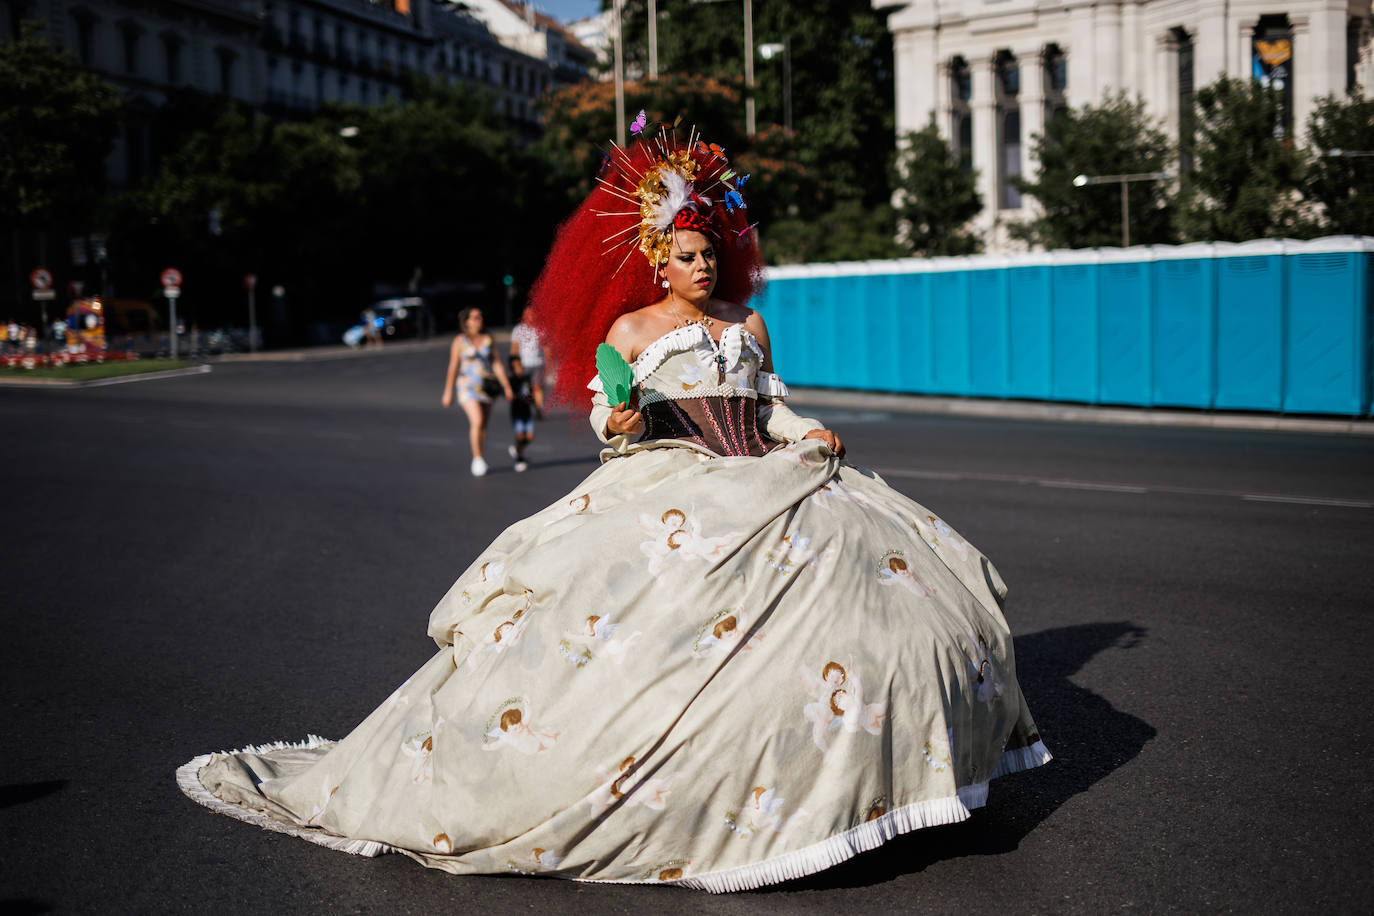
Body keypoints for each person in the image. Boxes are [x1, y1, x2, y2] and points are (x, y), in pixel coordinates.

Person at [179, 130, 1049, 892]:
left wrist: (801, 425)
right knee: (643, 637)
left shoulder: (750, 325)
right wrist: (622, 420)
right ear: (655, 261)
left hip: (776, 474)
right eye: (686, 256)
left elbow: (768, 404)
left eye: (712, 254)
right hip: (674, 478)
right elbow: (610, 418)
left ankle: (867, 783)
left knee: (889, 606)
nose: (703, 267)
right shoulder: (630, 333)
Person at [441, 307, 512, 476]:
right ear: (466, 321)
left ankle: (480, 456)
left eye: (480, 317)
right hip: (467, 387)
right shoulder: (460, 341)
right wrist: (448, 392)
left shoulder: (488, 339)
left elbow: (496, 363)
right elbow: (453, 366)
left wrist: (506, 386)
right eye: (474, 317)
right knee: (477, 420)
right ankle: (477, 458)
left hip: (487, 387)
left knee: (483, 426)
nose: (478, 320)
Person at [509, 308, 547, 417]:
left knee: (537, 386)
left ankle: (539, 408)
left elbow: (546, 348)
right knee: (524, 388)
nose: (530, 317)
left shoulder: (541, 329)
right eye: (527, 314)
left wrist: (548, 363)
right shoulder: (518, 330)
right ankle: (524, 408)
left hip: (538, 364)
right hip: (524, 364)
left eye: (532, 314)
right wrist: (515, 362)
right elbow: (514, 348)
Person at [506, 353, 536, 472]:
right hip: (517, 413)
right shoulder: (511, 381)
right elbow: (508, 395)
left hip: (527, 412)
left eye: (520, 366)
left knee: (529, 437)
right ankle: (519, 459)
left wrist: (536, 407)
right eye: (516, 367)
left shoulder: (526, 379)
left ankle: (516, 449)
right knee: (520, 436)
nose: (519, 369)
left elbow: (531, 394)